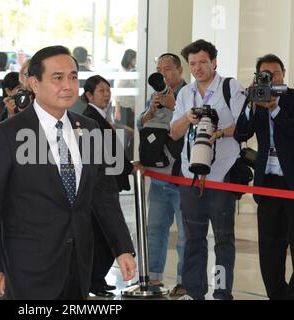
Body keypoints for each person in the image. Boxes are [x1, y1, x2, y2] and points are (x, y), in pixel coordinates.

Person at [0, 45, 136, 300]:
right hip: (28, 269)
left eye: (73, 77)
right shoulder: (9, 133)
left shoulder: (89, 128)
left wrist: (122, 247)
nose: (68, 85)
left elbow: (102, 194)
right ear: (34, 83)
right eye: (57, 77)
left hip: (79, 265)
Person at [170, 39, 247, 300]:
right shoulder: (184, 94)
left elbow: (244, 126)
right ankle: (194, 291)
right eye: (193, 64)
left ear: (214, 61)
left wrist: (220, 132)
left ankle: (222, 292)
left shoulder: (229, 87)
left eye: (203, 62)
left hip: (221, 175)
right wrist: (187, 118)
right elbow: (173, 132)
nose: (198, 68)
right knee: (193, 237)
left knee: (223, 239)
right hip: (190, 174)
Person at [235, 54, 294, 300]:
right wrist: (251, 105)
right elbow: (240, 133)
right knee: (269, 251)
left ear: (283, 75)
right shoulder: (255, 99)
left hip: (292, 184)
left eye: (274, 73)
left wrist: (275, 109)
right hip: (267, 185)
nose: (269, 78)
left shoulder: (292, 98)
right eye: (264, 75)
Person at [136, 53, 187, 297]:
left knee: (185, 234)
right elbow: (141, 123)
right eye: (159, 69)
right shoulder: (156, 95)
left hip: (181, 174)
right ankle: (152, 280)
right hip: (158, 174)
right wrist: (152, 109)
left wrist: (172, 104)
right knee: (154, 229)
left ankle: (183, 281)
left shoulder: (189, 93)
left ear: (179, 70)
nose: (162, 73)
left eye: (167, 68)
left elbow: (194, 122)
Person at [81, 75, 136, 297]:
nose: (106, 94)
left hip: (107, 183)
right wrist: (125, 168)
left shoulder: (100, 116)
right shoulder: (89, 118)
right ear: (89, 95)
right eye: (101, 90)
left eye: (107, 90)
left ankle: (96, 279)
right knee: (103, 236)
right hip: (99, 186)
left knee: (103, 235)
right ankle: (94, 279)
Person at [115, 49, 137, 160]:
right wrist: (117, 110)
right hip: (123, 109)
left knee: (130, 134)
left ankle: (126, 158)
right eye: (134, 58)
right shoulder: (123, 73)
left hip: (129, 108)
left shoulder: (128, 72)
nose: (136, 61)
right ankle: (122, 158)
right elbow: (118, 92)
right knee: (124, 135)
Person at [70, 46, 92, 115]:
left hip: (71, 108)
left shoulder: (68, 73)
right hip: (87, 109)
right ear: (86, 58)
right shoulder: (92, 74)